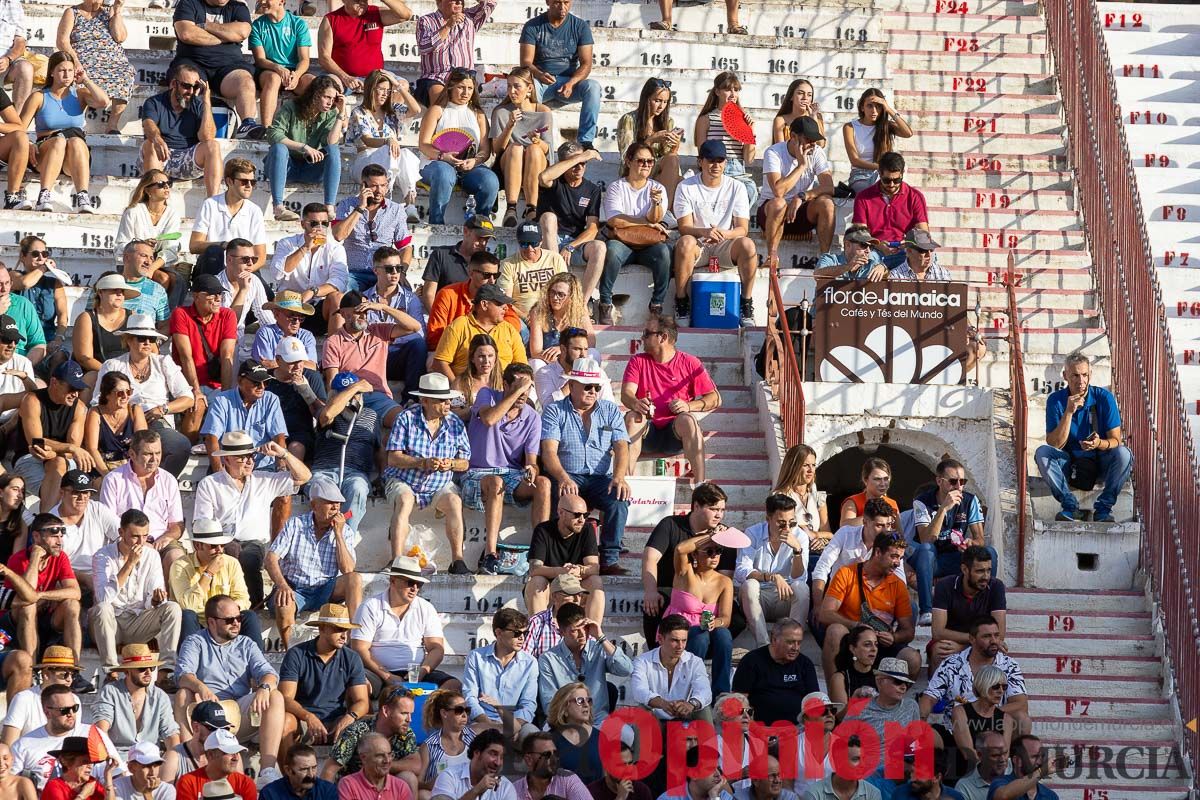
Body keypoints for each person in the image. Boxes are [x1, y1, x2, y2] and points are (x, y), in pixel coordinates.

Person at [174, 594, 289, 781]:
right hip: (209, 715)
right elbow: (182, 675)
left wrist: (264, 687)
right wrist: (201, 687)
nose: (236, 623)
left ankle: (267, 771)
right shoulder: (195, 641)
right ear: (211, 622)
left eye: (238, 618)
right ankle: (190, 761)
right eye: (229, 620)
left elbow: (269, 674)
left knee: (274, 696)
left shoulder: (246, 644)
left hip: (239, 712)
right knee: (182, 694)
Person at [193, 431, 309, 606]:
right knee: (230, 554)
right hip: (221, 542)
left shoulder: (263, 479)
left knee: (249, 556)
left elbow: (305, 477)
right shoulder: (210, 483)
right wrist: (221, 544)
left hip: (254, 543)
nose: (249, 462)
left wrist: (283, 453)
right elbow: (203, 522)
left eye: (251, 457)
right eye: (242, 458)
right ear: (226, 460)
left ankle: (253, 606)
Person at [541, 357, 631, 575]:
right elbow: (549, 452)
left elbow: (621, 447)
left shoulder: (610, 410)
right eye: (588, 386)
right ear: (571, 385)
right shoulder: (554, 410)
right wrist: (563, 477)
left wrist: (619, 476)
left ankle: (609, 559)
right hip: (568, 474)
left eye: (597, 387)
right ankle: (556, 556)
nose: (593, 391)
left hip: (600, 477)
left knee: (619, 497)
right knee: (560, 493)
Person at [463, 362, 549, 574]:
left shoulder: (532, 417)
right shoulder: (487, 395)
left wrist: (531, 470)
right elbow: (490, 419)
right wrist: (518, 392)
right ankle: (490, 555)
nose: (523, 393)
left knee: (544, 483)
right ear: (505, 384)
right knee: (495, 482)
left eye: (527, 387)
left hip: (511, 475)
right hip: (476, 472)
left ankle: (542, 552)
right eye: (518, 385)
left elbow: (532, 460)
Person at [384, 373, 472, 572]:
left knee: (454, 502)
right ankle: (396, 559)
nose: (447, 403)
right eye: (441, 400)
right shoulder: (405, 418)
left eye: (448, 399)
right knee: (405, 499)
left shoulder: (455, 423)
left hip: (439, 483)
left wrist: (450, 464)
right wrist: (422, 463)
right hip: (404, 479)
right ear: (425, 400)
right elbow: (393, 458)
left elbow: (465, 463)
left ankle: (457, 560)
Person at [622, 313, 720, 484]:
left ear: (663, 337)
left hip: (675, 432)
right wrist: (636, 403)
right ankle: (627, 483)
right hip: (646, 430)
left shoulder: (690, 362)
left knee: (688, 420)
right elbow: (626, 394)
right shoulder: (638, 361)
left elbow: (715, 398)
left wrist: (689, 406)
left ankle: (700, 486)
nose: (642, 337)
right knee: (632, 418)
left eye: (647, 333)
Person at [1035, 352, 1132, 523]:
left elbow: (1116, 441)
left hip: (1099, 461)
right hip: (1069, 462)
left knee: (1124, 453)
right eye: (1075, 375)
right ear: (1065, 376)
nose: (1081, 381)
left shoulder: (1104, 397)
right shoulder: (1056, 400)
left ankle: (1103, 509)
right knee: (1042, 452)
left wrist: (1098, 443)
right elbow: (1054, 443)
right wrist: (1069, 412)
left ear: (1090, 375)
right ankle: (1069, 506)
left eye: (1084, 375)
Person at [94, 317, 197, 477]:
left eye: (152, 339)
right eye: (142, 338)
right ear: (128, 340)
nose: (148, 342)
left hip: (155, 420)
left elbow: (188, 398)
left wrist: (163, 409)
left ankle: (156, 483)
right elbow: (97, 400)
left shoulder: (163, 362)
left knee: (180, 445)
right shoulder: (112, 365)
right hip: (122, 421)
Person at [266, 479, 362, 649]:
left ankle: (355, 642)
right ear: (314, 505)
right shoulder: (295, 524)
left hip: (325, 588)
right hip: (295, 588)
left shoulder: (344, 530)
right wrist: (282, 585)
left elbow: (348, 569)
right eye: (330, 503)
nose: (335, 508)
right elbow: (271, 558)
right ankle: (292, 652)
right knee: (284, 602)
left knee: (354, 579)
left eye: (338, 504)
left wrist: (338, 534)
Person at [672, 140, 757, 326]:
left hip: (725, 243)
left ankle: (746, 303)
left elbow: (743, 229)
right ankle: (681, 301)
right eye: (711, 160)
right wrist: (704, 231)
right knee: (685, 242)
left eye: (720, 160)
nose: (716, 165)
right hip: (698, 243)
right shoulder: (686, 187)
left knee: (748, 245)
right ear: (700, 161)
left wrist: (722, 234)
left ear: (726, 162)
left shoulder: (737, 187)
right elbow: (684, 227)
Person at [91, 509, 182, 684]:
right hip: (111, 626)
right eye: (135, 536)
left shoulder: (152, 555)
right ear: (121, 532)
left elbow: (154, 594)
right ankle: (111, 673)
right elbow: (103, 598)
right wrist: (130, 563)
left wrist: (156, 600)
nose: (141, 542)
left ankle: (165, 673)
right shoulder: (102, 556)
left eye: (145, 536)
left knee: (172, 608)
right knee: (102, 609)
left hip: (140, 621)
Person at [641, 482, 738, 643]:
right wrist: (650, 591)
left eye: (722, 510)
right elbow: (650, 557)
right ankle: (657, 652)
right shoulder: (671, 524)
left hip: (706, 596)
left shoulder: (724, 534)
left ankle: (705, 649)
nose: (719, 515)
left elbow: (723, 578)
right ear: (696, 506)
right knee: (654, 605)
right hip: (670, 588)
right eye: (713, 509)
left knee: (738, 618)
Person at [818, 532, 919, 680]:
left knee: (913, 658)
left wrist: (894, 637)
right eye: (894, 556)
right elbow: (825, 614)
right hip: (852, 643)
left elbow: (908, 631)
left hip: (881, 645)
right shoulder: (846, 573)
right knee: (835, 630)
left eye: (900, 558)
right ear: (877, 552)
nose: (898, 563)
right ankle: (836, 695)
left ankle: (887, 701)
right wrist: (855, 625)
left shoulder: (898, 585)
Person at [18, 51, 108, 214]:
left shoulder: (79, 94)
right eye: (61, 70)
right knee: (59, 141)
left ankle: (83, 196)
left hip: (72, 156)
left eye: (70, 70)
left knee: (76, 141)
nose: (67, 74)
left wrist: (85, 80)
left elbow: (103, 101)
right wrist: (28, 142)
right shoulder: (39, 97)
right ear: (52, 72)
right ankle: (44, 195)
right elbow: (19, 128)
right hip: (46, 151)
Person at [351, 556, 454, 696]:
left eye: (419, 584)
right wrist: (387, 676)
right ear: (392, 581)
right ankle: (367, 717)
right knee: (360, 685)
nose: (415, 588)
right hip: (376, 672)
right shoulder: (370, 606)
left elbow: (436, 648)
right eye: (410, 582)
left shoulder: (426, 608)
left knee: (453, 686)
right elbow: (359, 648)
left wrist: (422, 672)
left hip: (416, 673)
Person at [910, 460, 994, 626]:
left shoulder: (970, 500)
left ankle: (984, 608)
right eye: (953, 481)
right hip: (930, 560)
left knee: (990, 553)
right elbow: (926, 539)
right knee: (926, 549)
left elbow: (980, 539)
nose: (958, 486)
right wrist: (943, 509)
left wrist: (971, 543)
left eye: (962, 482)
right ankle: (926, 611)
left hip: (956, 556)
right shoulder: (922, 502)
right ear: (939, 481)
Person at [323, 290, 422, 430]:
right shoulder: (333, 342)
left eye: (366, 311)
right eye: (358, 311)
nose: (363, 316)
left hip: (379, 396)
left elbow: (415, 327)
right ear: (344, 314)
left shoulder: (378, 330)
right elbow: (332, 384)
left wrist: (384, 308)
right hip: (350, 397)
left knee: (406, 424)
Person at [279, 604, 369, 752]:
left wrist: (349, 717)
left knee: (365, 727)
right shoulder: (296, 654)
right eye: (338, 629)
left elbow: (362, 701)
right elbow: (285, 698)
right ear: (322, 629)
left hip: (337, 719)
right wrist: (308, 717)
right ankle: (288, 773)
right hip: (303, 719)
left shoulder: (351, 658)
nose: (344, 635)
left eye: (345, 630)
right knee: (285, 722)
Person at [170, 0, 265, 140]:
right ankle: (182, 128)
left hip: (229, 66)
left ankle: (247, 124)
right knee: (186, 79)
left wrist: (204, 26)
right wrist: (225, 36)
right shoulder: (189, 3)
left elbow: (243, 32)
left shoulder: (237, 6)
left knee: (245, 81)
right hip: (193, 62)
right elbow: (186, 33)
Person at [920, 616, 1030, 736]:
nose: (994, 641)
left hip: (994, 729)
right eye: (987, 636)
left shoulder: (1009, 665)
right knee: (931, 734)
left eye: (996, 635)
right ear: (972, 639)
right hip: (956, 731)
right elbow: (929, 698)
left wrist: (983, 716)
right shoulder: (951, 663)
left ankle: (1004, 754)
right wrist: (920, 722)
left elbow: (1021, 704)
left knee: (1023, 720)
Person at [599, 143, 672, 322]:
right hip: (623, 243)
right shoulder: (617, 187)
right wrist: (646, 223)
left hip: (648, 245)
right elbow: (614, 220)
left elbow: (655, 219)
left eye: (650, 161)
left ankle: (656, 304)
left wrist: (655, 204)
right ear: (628, 161)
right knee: (612, 249)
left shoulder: (658, 188)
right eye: (641, 161)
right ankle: (605, 303)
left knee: (664, 252)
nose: (646, 165)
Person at [417, 68, 498, 226]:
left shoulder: (478, 114)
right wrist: (443, 156)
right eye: (461, 87)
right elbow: (423, 144)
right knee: (445, 172)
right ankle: (436, 223)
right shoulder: (437, 110)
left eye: (469, 88)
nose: (465, 92)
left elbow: (485, 150)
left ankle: (480, 225)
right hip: (437, 164)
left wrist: (474, 161)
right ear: (450, 87)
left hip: (469, 167)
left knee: (490, 180)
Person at [2, 513, 83, 668]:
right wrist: (35, 558)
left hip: (45, 617)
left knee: (72, 604)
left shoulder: (60, 557)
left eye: (61, 535)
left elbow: (75, 592)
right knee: (28, 606)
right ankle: (30, 670)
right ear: (36, 537)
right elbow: (26, 597)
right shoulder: (18, 559)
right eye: (53, 536)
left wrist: (42, 595)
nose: (59, 541)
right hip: (15, 621)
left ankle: (74, 669)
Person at [168, 519, 263, 647]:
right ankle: (188, 664)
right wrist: (208, 574)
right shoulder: (180, 565)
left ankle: (257, 664)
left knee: (249, 616)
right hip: (197, 622)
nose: (220, 550)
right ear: (197, 545)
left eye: (222, 545)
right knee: (187, 616)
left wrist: (227, 613)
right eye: (213, 546)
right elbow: (188, 605)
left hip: (226, 621)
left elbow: (243, 598)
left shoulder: (231, 563)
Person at [519, 0, 600, 150]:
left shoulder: (580, 26)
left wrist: (572, 83)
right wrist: (539, 74)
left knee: (593, 87)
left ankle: (586, 141)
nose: (562, 7)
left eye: (566, 2)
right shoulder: (533, 25)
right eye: (557, 2)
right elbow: (525, 62)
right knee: (527, 87)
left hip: (569, 82)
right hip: (541, 81)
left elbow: (586, 64)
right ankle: (528, 138)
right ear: (548, 2)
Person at [265, 76, 347, 222]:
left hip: (310, 169)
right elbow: (273, 134)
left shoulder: (330, 113)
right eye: (326, 97)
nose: (330, 102)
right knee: (279, 148)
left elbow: (331, 142)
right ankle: (278, 207)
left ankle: (329, 206)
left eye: (333, 98)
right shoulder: (292, 106)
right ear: (315, 94)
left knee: (333, 150)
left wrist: (340, 114)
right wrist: (304, 147)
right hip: (284, 166)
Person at [10, 685, 123, 790]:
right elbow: (9, 786)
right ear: (47, 713)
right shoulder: (24, 745)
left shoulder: (92, 733)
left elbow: (118, 777)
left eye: (74, 708)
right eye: (64, 710)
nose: (71, 714)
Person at [663, 530, 734, 694]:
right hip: (682, 634)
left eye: (718, 551)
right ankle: (689, 688)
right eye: (709, 551)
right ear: (695, 555)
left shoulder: (725, 582)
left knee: (723, 634)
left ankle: (721, 692)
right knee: (700, 636)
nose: (715, 556)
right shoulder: (684, 572)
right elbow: (681, 549)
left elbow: (726, 618)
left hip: (708, 635)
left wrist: (714, 623)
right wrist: (711, 536)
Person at [758, 117, 835, 268]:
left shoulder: (816, 152)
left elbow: (829, 187)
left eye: (815, 139)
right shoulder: (773, 152)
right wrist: (801, 165)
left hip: (800, 212)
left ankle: (825, 258)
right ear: (793, 136)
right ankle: (772, 256)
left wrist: (803, 196)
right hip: (771, 215)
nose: (812, 143)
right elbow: (778, 191)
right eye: (808, 138)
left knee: (827, 203)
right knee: (779, 203)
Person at [537, 143, 606, 310]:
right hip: (547, 241)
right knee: (548, 217)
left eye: (583, 162)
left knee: (600, 247)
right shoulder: (555, 182)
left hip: (573, 242)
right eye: (574, 162)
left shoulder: (592, 190)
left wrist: (571, 246)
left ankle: (581, 304)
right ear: (563, 164)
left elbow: (592, 228)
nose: (579, 166)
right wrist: (582, 155)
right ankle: (555, 287)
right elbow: (543, 177)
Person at [537, 603, 631, 725]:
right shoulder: (548, 659)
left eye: (585, 628)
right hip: (563, 722)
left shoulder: (598, 649)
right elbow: (549, 703)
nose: (582, 634)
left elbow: (626, 669)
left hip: (598, 720)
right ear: (562, 632)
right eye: (575, 631)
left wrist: (600, 637)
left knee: (628, 734)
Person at [138, 65, 222, 199]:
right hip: (161, 156)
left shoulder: (198, 105)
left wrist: (206, 101)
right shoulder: (154, 102)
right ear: (173, 84)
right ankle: (152, 200)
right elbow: (149, 125)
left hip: (187, 158)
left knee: (213, 145)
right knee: (150, 144)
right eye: (186, 86)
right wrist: (156, 139)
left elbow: (207, 137)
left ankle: (213, 202)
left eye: (195, 87)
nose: (190, 91)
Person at [97, 429, 185, 556]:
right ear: (132, 454)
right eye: (148, 454)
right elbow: (109, 524)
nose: (154, 459)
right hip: (127, 542)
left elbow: (177, 524)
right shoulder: (113, 479)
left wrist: (167, 538)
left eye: (158, 453)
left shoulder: (169, 480)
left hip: (161, 542)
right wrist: (140, 543)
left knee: (176, 557)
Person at [93, 644, 181, 770]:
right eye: (141, 669)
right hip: (118, 759)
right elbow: (101, 731)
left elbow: (171, 734)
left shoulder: (160, 696)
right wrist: (113, 762)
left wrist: (173, 761)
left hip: (152, 760)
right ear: (127, 671)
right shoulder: (110, 691)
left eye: (151, 668)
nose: (148, 672)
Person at [14, 359, 88, 508]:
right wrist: (69, 448)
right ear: (54, 382)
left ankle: (46, 519)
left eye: (78, 389)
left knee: (59, 464)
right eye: (71, 388)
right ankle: (48, 521)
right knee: (63, 483)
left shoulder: (79, 408)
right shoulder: (32, 400)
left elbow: (72, 450)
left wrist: (58, 453)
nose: (75, 394)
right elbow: (36, 443)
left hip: (62, 458)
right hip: (29, 458)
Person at [736, 495, 809, 646]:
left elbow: (799, 577)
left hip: (785, 597)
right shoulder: (753, 533)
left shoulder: (800, 536)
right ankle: (764, 646)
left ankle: (792, 644)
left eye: (792, 522)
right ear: (768, 519)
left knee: (802, 588)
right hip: (759, 597)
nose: (787, 528)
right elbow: (742, 571)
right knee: (749, 585)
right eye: (781, 523)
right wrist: (772, 577)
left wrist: (797, 551)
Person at [309, 373, 379, 530]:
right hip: (325, 473)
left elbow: (379, 449)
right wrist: (355, 387)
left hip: (355, 474)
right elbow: (327, 414)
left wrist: (382, 477)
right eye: (346, 394)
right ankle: (323, 533)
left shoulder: (372, 416)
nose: (353, 398)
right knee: (324, 492)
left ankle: (345, 534)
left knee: (358, 490)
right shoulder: (326, 412)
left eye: (357, 395)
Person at [55, 0, 135, 134]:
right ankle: (75, 123)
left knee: (126, 73)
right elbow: (62, 41)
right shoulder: (72, 12)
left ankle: (112, 125)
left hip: (114, 61)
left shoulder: (108, 11)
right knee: (81, 75)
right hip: (83, 59)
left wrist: (117, 10)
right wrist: (75, 61)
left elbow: (120, 37)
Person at [334, 164, 416, 295]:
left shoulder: (396, 210)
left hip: (384, 272)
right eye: (374, 186)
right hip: (353, 273)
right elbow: (338, 235)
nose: (379, 191)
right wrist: (360, 208)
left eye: (383, 185)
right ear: (363, 185)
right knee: (343, 292)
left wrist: (401, 272)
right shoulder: (346, 205)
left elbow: (405, 247)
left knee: (405, 292)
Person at [347, 70, 421, 211]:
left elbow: (416, 110)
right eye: (380, 89)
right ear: (370, 89)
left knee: (405, 154)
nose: (384, 94)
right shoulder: (359, 112)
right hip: (365, 162)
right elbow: (368, 140)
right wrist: (387, 140)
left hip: (389, 159)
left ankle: (411, 204)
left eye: (387, 90)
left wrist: (397, 85)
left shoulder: (392, 111)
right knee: (388, 150)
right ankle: (386, 198)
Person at [270, 205, 350, 332]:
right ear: (303, 224)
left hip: (319, 306)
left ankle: (335, 347)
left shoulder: (335, 248)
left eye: (324, 223)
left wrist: (313, 291)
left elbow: (340, 281)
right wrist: (305, 248)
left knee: (337, 297)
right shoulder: (287, 243)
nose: (319, 228)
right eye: (314, 223)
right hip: (291, 307)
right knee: (285, 299)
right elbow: (277, 273)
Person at [199, 361, 289, 475]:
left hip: (263, 468)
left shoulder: (271, 399)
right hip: (230, 468)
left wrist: (281, 470)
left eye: (266, 382)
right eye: (256, 382)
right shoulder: (222, 400)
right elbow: (211, 438)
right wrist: (219, 473)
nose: (262, 387)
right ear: (240, 381)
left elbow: (279, 436)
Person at [361, 247, 426, 404]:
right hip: (373, 356)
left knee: (418, 345)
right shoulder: (363, 298)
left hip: (397, 355)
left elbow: (420, 334)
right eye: (389, 269)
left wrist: (390, 335)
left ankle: (410, 399)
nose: (395, 273)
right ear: (376, 271)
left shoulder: (411, 299)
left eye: (399, 268)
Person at [462, 607, 538, 736]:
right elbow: (470, 697)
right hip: (482, 720)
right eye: (516, 633)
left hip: (516, 722)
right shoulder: (476, 657)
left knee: (534, 737)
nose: (522, 638)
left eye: (525, 633)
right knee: (470, 733)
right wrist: (490, 725)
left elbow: (528, 704)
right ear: (498, 632)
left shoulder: (530, 662)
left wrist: (512, 726)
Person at [490, 67, 552, 226]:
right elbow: (497, 150)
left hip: (537, 161)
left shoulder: (544, 112)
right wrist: (509, 126)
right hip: (510, 161)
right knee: (516, 148)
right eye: (509, 86)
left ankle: (532, 208)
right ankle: (511, 208)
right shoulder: (501, 111)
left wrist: (537, 140)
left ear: (529, 88)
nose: (512, 91)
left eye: (517, 86)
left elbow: (548, 150)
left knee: (533, 149)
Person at [324, 685, 420, 786]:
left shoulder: (405, 732)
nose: (409, 719)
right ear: (386, 711)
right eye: (404, 713)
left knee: (408, 778)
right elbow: (330, 770)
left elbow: (416, 765)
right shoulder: (356, 731)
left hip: (382, 788)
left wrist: (380, 764)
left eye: (411, 714)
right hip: (353, 788)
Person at [730, 618, 819, 725]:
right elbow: (740, 700)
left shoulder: (805, 664)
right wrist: (753, 728)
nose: (796, 648)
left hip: (797, 730)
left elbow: (814, 701)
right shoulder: (751, 661)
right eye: (790, 642)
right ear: (774, 639)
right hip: (760, 729)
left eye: (799, 643)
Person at [930, 547, 1007, 671]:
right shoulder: (945, 585)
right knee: (940, 650)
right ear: (965, 569)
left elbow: (1000, 634)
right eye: (980, 571)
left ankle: (986, 689)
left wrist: (964, 647)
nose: (986, 576)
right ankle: (936, 690)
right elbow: (938, 632)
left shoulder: (996, 586)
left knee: (998, 648)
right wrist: (975, 641)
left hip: (979, 643)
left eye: (988, 570)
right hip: (954, 641)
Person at [525, 495, 603, 617]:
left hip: (575, 585)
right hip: (550, 587)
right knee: (537, 581)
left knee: (595, 581)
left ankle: (593, 633)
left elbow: (594, 567)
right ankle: (539, 631)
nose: (582, 520)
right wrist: (563, 571)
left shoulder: (587, 529)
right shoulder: (543, 529)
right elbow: (534, 569)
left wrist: (580, 570)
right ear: (561, 513)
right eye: (577, 515)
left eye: (585, 515)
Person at [427, 252, 522, 350]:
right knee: (432, 360)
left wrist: (489, 337)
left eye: (496, 275)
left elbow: (514, 323)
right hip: (452, 350)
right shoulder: (447, 294)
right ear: (471, 273)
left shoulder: (498, 295)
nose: (492, 280)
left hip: (491, 351)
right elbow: (435, 335)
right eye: (486, 275)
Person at [45, 469, 121, 592]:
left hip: (102, 572)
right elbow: (53, 567)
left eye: (86, 492)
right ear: (62, 492)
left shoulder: (97, 509)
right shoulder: (50, 523)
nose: (82, 497)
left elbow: (122, 535)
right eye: (76, 492)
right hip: (68, 579)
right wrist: (84, 578)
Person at [852, 152, 930, 270]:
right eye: (887, 180)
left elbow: (923, 233)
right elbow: (860, 233)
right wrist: (878, 244)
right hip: (875, 250)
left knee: (928, 257)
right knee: (864, 259)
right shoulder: (863, 197)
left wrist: (908, 243)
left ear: (902, 174)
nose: (892, 184)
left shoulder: (915, 196)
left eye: (896, 180)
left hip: (906, 251)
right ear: (879, 173)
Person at [189, 163, 268, 278]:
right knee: (214, 251)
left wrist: (243, 272)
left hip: (243, 268)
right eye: (244, 182)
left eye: (253, 182)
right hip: (214, 263)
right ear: (229, 181)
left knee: (268, 295)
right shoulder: (210, 204)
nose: (249, 186)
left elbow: (260, 257)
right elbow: (194, 246)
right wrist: (223, 245)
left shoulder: (254, 210)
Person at [434, 285, 527, 383]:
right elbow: (440, 363)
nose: (506, 308)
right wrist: (457, 390)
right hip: (467, 391)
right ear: (484, 304)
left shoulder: (509, 329)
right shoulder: (459, 326)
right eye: (500, 304)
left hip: (502, 392)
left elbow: (521, 367)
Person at [170, 274, 238, 405]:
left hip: (216, 385)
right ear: (196, 296)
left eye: (220, 294)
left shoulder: (228, 315)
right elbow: (185, 356)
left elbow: (227, 356)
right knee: (197, 406)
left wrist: (226, 395)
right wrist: (195, 390)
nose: (218, 298)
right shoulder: (181, 314)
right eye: (212, 294)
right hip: (187, 384)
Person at [317, 0, 413, 92]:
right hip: (342, 77)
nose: (362, 2)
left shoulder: (376, 13)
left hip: (375, 76)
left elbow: (406, 15)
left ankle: (393, 109)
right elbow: (324, 57)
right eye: (357, 0)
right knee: (328, 87)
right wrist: (346, 77)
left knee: (402, 86)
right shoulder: (331, 19)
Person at [630, 614, 710, 721]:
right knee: (642, 710)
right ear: (660, 639)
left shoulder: (694, 662)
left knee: (703, 708)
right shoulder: (642, 661)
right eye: (675, 640)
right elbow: (639, 690)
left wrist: (691, 704)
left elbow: (704, 690)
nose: (680, 646)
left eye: (684, 640)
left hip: (684, 718)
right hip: (656, 720)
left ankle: (709, 738)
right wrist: (663, 704)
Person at [618, 78, 682, 213]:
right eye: (657, 100)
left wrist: (675, 145)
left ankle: (664, 212)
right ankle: (665, 213)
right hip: (636, 168)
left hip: (658, 171)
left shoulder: (668, 121)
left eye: (665, 102)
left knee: (673, 160)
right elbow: (626, 157)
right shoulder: (629, 119)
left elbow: (669, 156)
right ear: (646, 98)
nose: (661, 106)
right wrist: (650, 141)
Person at [694, 72, 756, 208]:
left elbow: (749, 159)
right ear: (717, 91)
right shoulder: (706, 118)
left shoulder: (743, 118)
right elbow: (702, 151)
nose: (733, 94)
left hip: (738, 169)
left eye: (736, 90)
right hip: (714, 166)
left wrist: (750, 131)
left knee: (749, 190)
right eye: (727, 89)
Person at [415, 0, 494, 104]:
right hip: (436, 77)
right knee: (440, 102)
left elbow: (491, 3)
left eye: (461, 0)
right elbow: (424, 47)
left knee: (476, 114)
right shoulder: (426, 21)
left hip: (465, 77)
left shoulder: (470, 18)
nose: (459, 2)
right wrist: (448, 26)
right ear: (439, 2)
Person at [250, 0, 314, 128]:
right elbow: (260, 60)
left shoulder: (298, 23)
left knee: (313, 82)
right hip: (269, 69)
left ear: (282, 1)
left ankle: (311, 131)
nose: (262, 2)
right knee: (273, 79)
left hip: (294, 70)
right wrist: (277, 68)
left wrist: (296, 75)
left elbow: (304, 59)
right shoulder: (257, 25)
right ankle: (266, 129)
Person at [266, 339, 328, 461]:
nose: (298, 366)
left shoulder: (311, 376)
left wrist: (306, 391)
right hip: (269, 432)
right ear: (278, 360)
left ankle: (291, 479)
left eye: (300, 361)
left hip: (300, 433)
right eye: (292, 362)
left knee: (296, 447)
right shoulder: (266, 379)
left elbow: (322, 415)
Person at [842, 89, 913, 194]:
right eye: (870, 106)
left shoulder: (886, 125)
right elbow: (855, 160)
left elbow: (908, 133)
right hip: (860, 175)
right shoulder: (850, 127)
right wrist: (882, 167)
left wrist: (889, 109)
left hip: (885, 175)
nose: (874, 111)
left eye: (878, 106)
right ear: (862, 107)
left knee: (902, 191)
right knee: (874, 191)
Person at [1, 645, 74, 744]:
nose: (69, 679)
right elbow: (9, 744)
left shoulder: (74, 700)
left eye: (72, 674)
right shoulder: (24, 699)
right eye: (64, 674)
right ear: (46, 675)